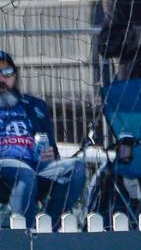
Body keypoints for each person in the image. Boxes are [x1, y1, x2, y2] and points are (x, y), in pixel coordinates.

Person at [0, 50, 85, 229]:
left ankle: (47, 229)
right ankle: (24, 235)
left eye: (7, 73)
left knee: (75, 168)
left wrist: (50, 152)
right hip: (5, 170)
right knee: (24, 173)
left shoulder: (33, 105)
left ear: (15, 76)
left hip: (36, 167)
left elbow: (51, 146)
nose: (2, 79)